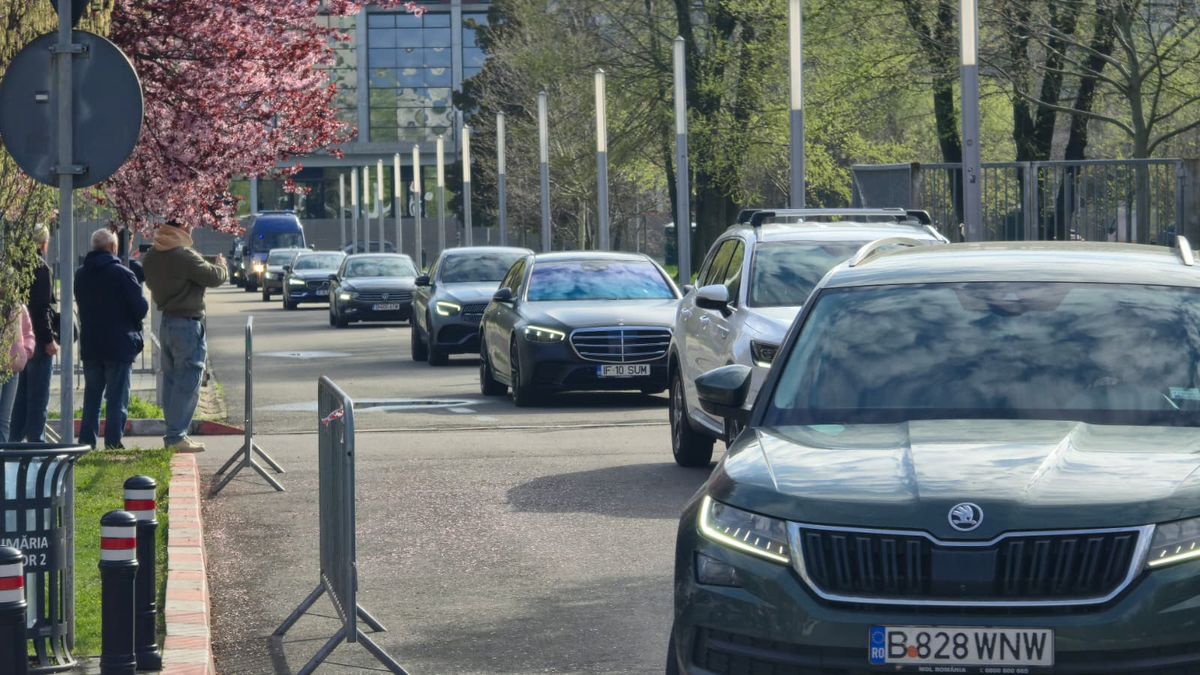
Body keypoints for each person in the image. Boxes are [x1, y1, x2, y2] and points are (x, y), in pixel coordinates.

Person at [142, 219, 226, 452]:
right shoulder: (183, 256)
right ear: (182, 229)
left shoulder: (151, 257)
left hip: (167, 322)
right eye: (189, 226)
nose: (192, 230)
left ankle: (174, 433)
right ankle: (177, 436)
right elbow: (214, 277)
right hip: (188, 324)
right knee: (188, 381)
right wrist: (222, 265)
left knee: (171, 380)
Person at [76, 228, 149, 450]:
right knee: (116, 398)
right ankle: (113, 442)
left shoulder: (80, 274)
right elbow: (141, 308)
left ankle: (87, 442)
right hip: (119, 345)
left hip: (91, 344)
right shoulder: (123, 274)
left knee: (92, 397)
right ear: (113, 248)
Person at [11, 225, 59, 443]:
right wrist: (49, 340)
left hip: (17, 339)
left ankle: (14, 441)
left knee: (20, 397)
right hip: (37, 340)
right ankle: (36, 442)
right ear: (43, 243)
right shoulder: (40, 268)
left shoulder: (15, 265)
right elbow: (41, 309)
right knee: (38, 396)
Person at [0, 300, 36, 441]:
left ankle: (2, 457)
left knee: (4, 420)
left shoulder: (17, 305)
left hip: (12, 367)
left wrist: (25, 351)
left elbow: (28, 332)